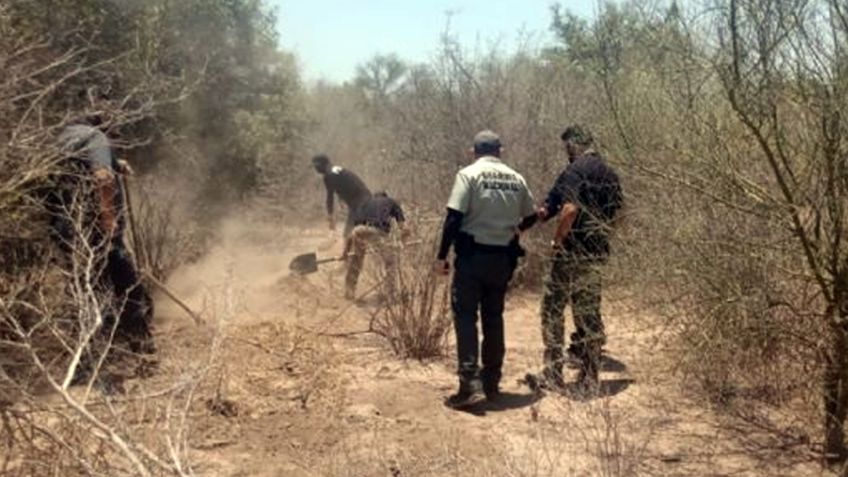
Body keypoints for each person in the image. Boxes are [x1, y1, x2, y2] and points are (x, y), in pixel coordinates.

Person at [436, 130, 537, 408]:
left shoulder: (468, 175)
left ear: (474, 151)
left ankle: (470, 384)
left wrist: (441, 256)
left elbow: (454, 217)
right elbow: (531, 215)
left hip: (472, 258)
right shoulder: (516, 178)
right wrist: (517, 230)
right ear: (500, 151)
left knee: (466, 317)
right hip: (503, 259)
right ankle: (491, 381)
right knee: (494, 317)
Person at [526, 125, 623, 392]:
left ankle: (553, 373)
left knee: (552, 309)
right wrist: (603, 237)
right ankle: (591, 377)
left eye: (567, 147)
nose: (566, 152)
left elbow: (568, 209)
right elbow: (620, 215)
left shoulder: (575, 170)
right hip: (595, 255)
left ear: (573, 145)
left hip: (570, 254)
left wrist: (557, 242)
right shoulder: (610, 175)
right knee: (588, 313)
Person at [50, 122, 155, 362]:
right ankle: (139, 343)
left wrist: (116, 163)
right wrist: (108, 219)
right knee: (126, 281)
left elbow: (78, 167)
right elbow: (102, 176)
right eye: (115, 134)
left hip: (66, 230)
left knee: (85, 284)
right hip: (94, 231)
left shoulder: (66, 135)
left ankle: (92, 347)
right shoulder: (97, 137)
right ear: (107, 126)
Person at [343, 191, 406, 300]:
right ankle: (390, 293)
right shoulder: (391, 202)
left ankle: (350, 290)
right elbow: (404, 228)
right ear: (385, 197)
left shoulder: (365, 204)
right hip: (378, 232)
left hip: (359, 231)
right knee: (390, 261)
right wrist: (401, 243)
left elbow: (352, 232)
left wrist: (345, 252)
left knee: (356, 260)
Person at [311, 154, 372, 240]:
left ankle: (353, 251)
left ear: (321, 165)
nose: (316, 169)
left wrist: (330, 216)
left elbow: (330, 197)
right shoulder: (336, 169)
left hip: (359, 202)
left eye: (316, 166)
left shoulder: (329, 175)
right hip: (365, 198)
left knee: (349, 234)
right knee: (356, 232)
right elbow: (347, 183)